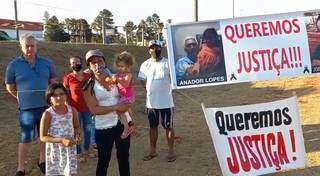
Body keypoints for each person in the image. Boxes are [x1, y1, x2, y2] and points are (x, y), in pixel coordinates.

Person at [5, 33, 57, 176]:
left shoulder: (47, 63)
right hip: (26, 110)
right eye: (26, 46)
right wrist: (23, 98)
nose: (29, 48)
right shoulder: (13, 65)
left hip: (46, 108)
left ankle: (42, 161)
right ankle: (21, 168)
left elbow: (53, 84)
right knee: (25, 138)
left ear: (36, 46)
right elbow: (10, 87)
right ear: (21, 46)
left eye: (32, 45)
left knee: (44, 136)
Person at [83, 49, 132, 176]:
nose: (97, 64)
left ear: (104, 62)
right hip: (103, 127)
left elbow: (127, 96)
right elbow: (94, 110)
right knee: (103, 161)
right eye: (93, 62)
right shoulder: (88, 87)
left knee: (124, 159)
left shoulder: (116, 78)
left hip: (122, 124)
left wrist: (130, 120)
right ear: (89, 66)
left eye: (99, 60)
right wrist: (116, 107)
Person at [138, 39, 176, 162]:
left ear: (161, 48)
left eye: (157, 47)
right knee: (152, 127)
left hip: (166, 102)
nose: (155, 50)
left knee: (168, 127)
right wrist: (150, 89)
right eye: (152, 48)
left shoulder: (168, 63)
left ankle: (171, 152)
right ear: (149, 50)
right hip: (151, 103)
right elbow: (142, 79)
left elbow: (173, 79)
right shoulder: (145, 64)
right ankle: (152, 151)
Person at [39, 83, 80, 176]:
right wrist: (61, 140)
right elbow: (43, 137)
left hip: (70, 150)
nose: (59, 97)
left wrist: (77, 135)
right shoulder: (48, 114)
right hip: (55, 152)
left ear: (66, 95)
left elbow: (77, 126)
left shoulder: (72, 110)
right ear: (49, 98)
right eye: (55, 95)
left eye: (61, 94)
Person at [63, 56, 93, 161]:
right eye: (73, 63)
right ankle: (78, 151)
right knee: (76, 131)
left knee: (88, 130)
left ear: (81, 63)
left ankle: (87, 150)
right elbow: (65, 94)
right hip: (74, 110)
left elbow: (92, 92)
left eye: (77, 62)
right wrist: (68, 108)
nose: (75, 64)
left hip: (87, 108)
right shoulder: (68, 78)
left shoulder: (88, 76)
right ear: (70, 65)